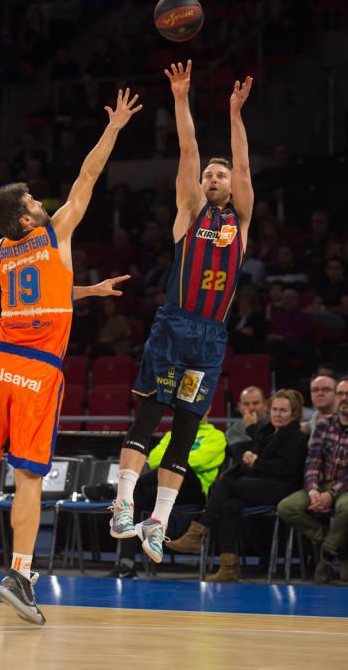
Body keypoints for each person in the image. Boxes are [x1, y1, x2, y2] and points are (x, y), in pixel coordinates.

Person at [0, 87, 142, 623]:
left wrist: (86, 293)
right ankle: (21, 575)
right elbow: (87, 179)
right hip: (37, 371)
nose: (38, 203)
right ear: (27, 221)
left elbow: (42, 295)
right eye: (30, 203)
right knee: (27, 478)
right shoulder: (54, 230)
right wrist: (113, 127)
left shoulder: (3, 251)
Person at [110, 60, 254, 565]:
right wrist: (180, 97)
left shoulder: (241, 219)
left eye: (221, 174)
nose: (215, 177)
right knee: (149, 416)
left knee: (187, 429)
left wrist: (236, 114)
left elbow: (243, 166)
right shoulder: (189, 213)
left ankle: (158, 522)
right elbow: (188, 150)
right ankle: (123, 504)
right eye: (209, 174)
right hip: (175, 326)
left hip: (211, 337)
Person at [170, 389, 307, 581]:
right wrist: (250, 460)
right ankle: (229, 567)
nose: (277, 414)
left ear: (294, 413)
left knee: (227, 483)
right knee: (228, 505)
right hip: (263, 485)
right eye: (275, 409)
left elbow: (287, 469)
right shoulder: (269, 432)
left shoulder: (296, 436)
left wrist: (255, 462)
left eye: (283, 410)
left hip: (284, 488)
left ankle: (196, 533)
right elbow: (253, 457)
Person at [110, 413, 226, 577]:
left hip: (194, 490)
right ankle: (126, 565)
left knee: (180, 467)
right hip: (165, 488)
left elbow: (198, 461)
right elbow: (154, 458)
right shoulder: (173, 434)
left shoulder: (216, 436)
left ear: (209, 408)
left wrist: (174, 460)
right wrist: (174, 461)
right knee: (136, 494)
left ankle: (117, 487)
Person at [277, 377, 348, 584]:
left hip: (344, 488)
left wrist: (331, 494)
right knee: (287, 507)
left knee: (346, 509)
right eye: (341, 394)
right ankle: (337, 545)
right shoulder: (324, 424)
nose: (344, 399)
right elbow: (313, 461)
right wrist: (314, 491)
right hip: (323, 484)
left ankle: (326, 554)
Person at [224, 385, 269, 461]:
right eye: (246, 404)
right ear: (240, 407)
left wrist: (251, 427)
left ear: (265, 405)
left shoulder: (274, 426)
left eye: (256, 403)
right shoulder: (232, 431)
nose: (251, 408)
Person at [301, 374, 337, 444]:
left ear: (336, 393)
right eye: (315, 390)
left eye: (326, 389)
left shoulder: (343, 419)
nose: (320, 393)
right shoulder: (315, 417)